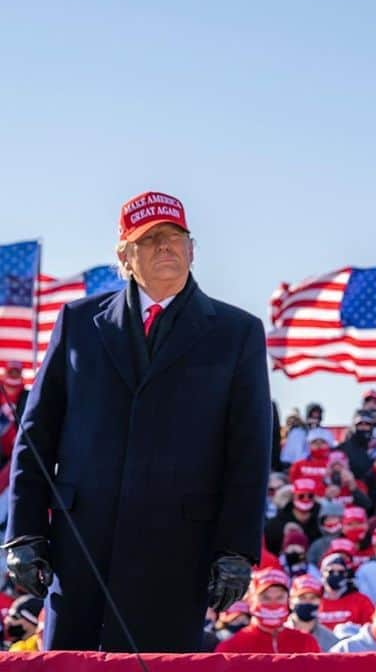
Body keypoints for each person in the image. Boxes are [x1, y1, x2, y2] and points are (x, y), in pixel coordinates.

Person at [3, 191, 271, 652]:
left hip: (177, 554)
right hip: (80, 549)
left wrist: (236, 549)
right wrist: (23, 534)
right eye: (150, 240)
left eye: (175, 237)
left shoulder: (238, 333)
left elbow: (249, 451)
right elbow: (35, 435)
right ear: (125, 256)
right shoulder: (78, 321)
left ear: (192, 248)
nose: (166, 247)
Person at [215, 569, 320, 653]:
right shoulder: (231, 648)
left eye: (279, 597)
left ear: (288, 600)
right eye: (265, 597)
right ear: (250, 600)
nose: (273, 603)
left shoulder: (306, 642)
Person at [265, 478, 323, 555]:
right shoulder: (275, 524)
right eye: (301, 496)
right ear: (293, 497)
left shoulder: (321, 522)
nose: (306, 499)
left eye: (310, 496)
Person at [317, 553, 375, 628]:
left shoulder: (361, 601)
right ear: (322, 573)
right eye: (331, 572)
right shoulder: (313, 600)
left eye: (341, 572)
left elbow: (371, 629)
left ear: (346, 574)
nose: (336, 575)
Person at [285, 574, 338, 652]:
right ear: (290, 602)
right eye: (302, 598)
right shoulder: (276, 636)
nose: (308, 602)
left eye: (313, 598)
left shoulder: (331, 640)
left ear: (321, 603)